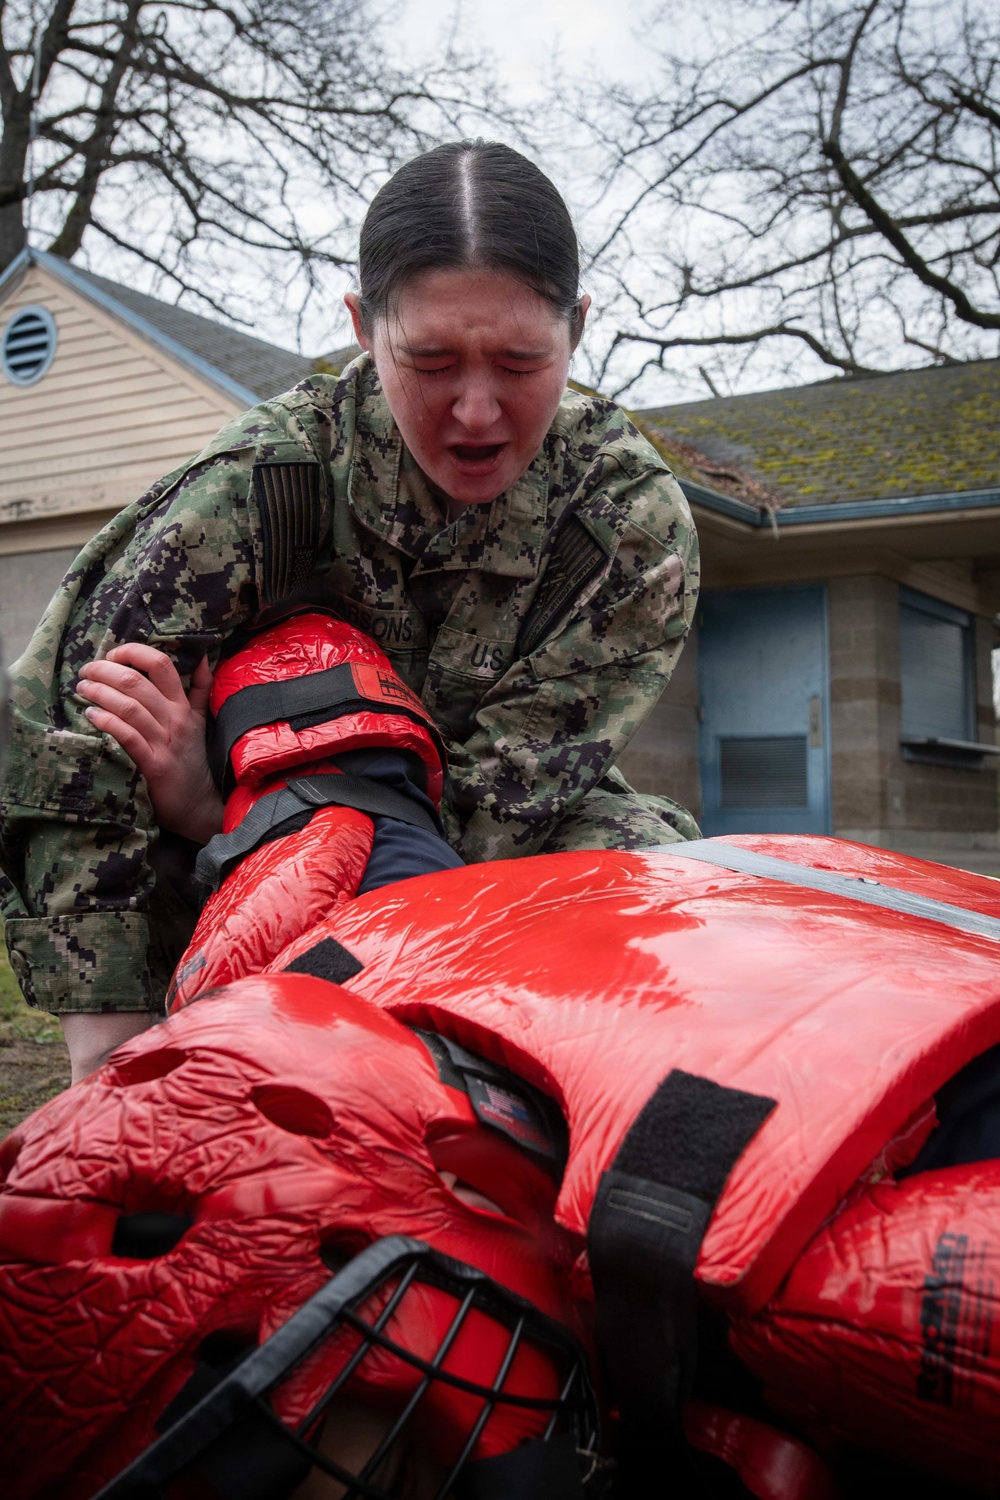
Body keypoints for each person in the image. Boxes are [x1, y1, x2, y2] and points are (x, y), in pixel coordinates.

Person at [0, 139, 699, 1083]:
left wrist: (225, 816)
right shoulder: (264, 487)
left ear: (577, 328)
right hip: (227, 874)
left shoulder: (626, 529)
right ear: (364, 328)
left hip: (450, 848)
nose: (479, 410)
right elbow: (66, 732)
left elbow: (501, 805)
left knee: (649, 871)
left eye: (523, 360)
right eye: (434, 360)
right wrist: (108, 1048)